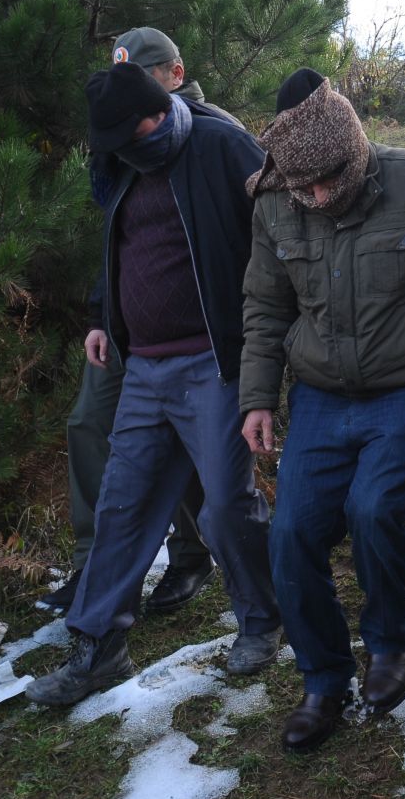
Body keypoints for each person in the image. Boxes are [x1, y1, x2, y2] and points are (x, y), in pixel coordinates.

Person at [240, 69, 405, 752]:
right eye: (305, 186)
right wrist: (258, 396)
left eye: (328, 180)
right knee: (291, 531)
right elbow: (266, 307)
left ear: (354, 155)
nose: (317, 196)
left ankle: (388, 644)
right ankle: (323, 679)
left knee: (374, 508)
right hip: (320, 395)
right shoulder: (274, 202)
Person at [26, 61, 282, 706]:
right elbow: (119, 245)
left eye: (134, 134)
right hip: (142, 365)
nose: (127, 150)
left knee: (225, 504)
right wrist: (101, 316)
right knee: (123, 503)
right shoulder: (119, 161)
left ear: (158, 110)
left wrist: (273, 345)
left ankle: (262, 619)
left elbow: (280, 233)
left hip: (215, 361)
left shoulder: (221, 145)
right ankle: (98, 647)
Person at [41, 27, 231, 616]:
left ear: (174, 74)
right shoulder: (120, 141)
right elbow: (121, 238)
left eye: (142, 76)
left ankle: (194, 554)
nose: (129, 92)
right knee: (88, 423)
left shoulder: (210, 135)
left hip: (195, 338)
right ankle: (91, 566)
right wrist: (101, 314)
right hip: (128, 328)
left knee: (191, 445)